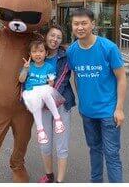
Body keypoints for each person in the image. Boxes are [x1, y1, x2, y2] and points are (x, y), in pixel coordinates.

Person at [67, 8, 127, 183]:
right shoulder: (72, 51)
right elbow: (76, 77)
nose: (80, 27)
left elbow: (121, 78)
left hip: (109, 112)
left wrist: (119, 109)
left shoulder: (108, 48)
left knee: (111, 154)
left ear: (92, 24)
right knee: (94, 150)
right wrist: (82, 102)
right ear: (72, 26)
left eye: (84, 23)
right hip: (87, 112)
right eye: (76, 24)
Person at [37, 25, 75, 183]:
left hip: (61, 104)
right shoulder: (38, 53)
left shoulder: (65, 56)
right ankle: (49, 175)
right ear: (46, 36)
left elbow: (62, 80)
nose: (55, 39)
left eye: (59, 37)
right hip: (41, 106)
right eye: (52, 35)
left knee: (61, 144)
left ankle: (59, 181)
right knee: (44, 143)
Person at [18, 39, 66, 145]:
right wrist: (25, 69)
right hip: (31, 93)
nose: (37, 54)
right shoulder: (29, 66)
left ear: (46, 53)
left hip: (44, 91)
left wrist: (51, 82)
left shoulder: (49, 67)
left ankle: (57, 119)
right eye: (34, 52)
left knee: (45, 91)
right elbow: (21, 80)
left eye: (41, 51)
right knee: (35, 102)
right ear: (30, 54)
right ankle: (40, 130)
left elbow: (50, 85)